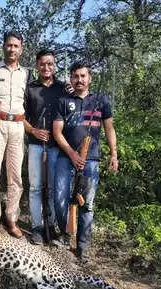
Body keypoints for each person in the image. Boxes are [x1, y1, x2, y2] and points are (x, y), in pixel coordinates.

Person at [52, 61, 119, 263]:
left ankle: (83, 246)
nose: (79, 80)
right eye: (75, 76)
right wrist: (72, 154)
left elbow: (109, 129)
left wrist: (114, 154)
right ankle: (65, 236)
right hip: (66, 157)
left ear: (89, 78)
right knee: (60, 198)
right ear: (70, 78)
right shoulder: (63, 101)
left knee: (86, 203)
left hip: (91, 160)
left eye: (83, 76)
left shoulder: (101, 101)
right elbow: (57, 132)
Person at [0, 31, 30, 238]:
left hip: (18, 126)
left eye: (16, 46)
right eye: (9, 45)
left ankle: (11, 219)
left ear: (21, 49)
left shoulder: (27, 73)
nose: (12, 49)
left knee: (15, 176)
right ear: (3, 46)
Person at [23, 49, 67, 245]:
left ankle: (51, 224)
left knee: (52, 188)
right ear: (37, 65)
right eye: (42, 64)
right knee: (35, 188)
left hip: (56, 146)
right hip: (35, 145)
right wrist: (33, 130)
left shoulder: (63, 88)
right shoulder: (30, 88)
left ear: (54, 65)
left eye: (50, 64)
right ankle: (37, 227)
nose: (46, 67)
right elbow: (20, 116)